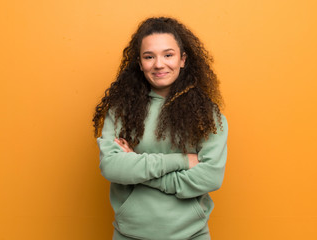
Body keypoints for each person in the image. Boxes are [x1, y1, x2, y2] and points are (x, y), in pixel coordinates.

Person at [93, 17, 228, 240]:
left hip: (192, 234)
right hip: (130, 234)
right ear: (139, 62)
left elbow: (210, 178)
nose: (158, 64)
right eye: (149, 57)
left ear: (183, 59)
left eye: (168, 55)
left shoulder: (207, 114)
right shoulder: (121, 110)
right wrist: (182, 161)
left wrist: (137, 165)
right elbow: (112, 167)